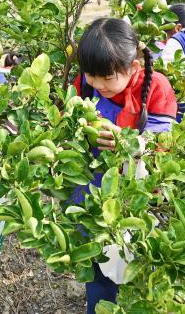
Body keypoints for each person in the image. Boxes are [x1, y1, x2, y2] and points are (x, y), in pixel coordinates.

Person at [72, 18, 178, 313]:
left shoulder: (155, 87)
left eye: (106, 78)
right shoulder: (86, 83)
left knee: (138, 260)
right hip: (95, 185)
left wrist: (128, 143)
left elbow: (165, 144)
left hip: (140, 189)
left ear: (132, 67)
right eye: (92, 76)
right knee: (100, 259)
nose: (97, 84)